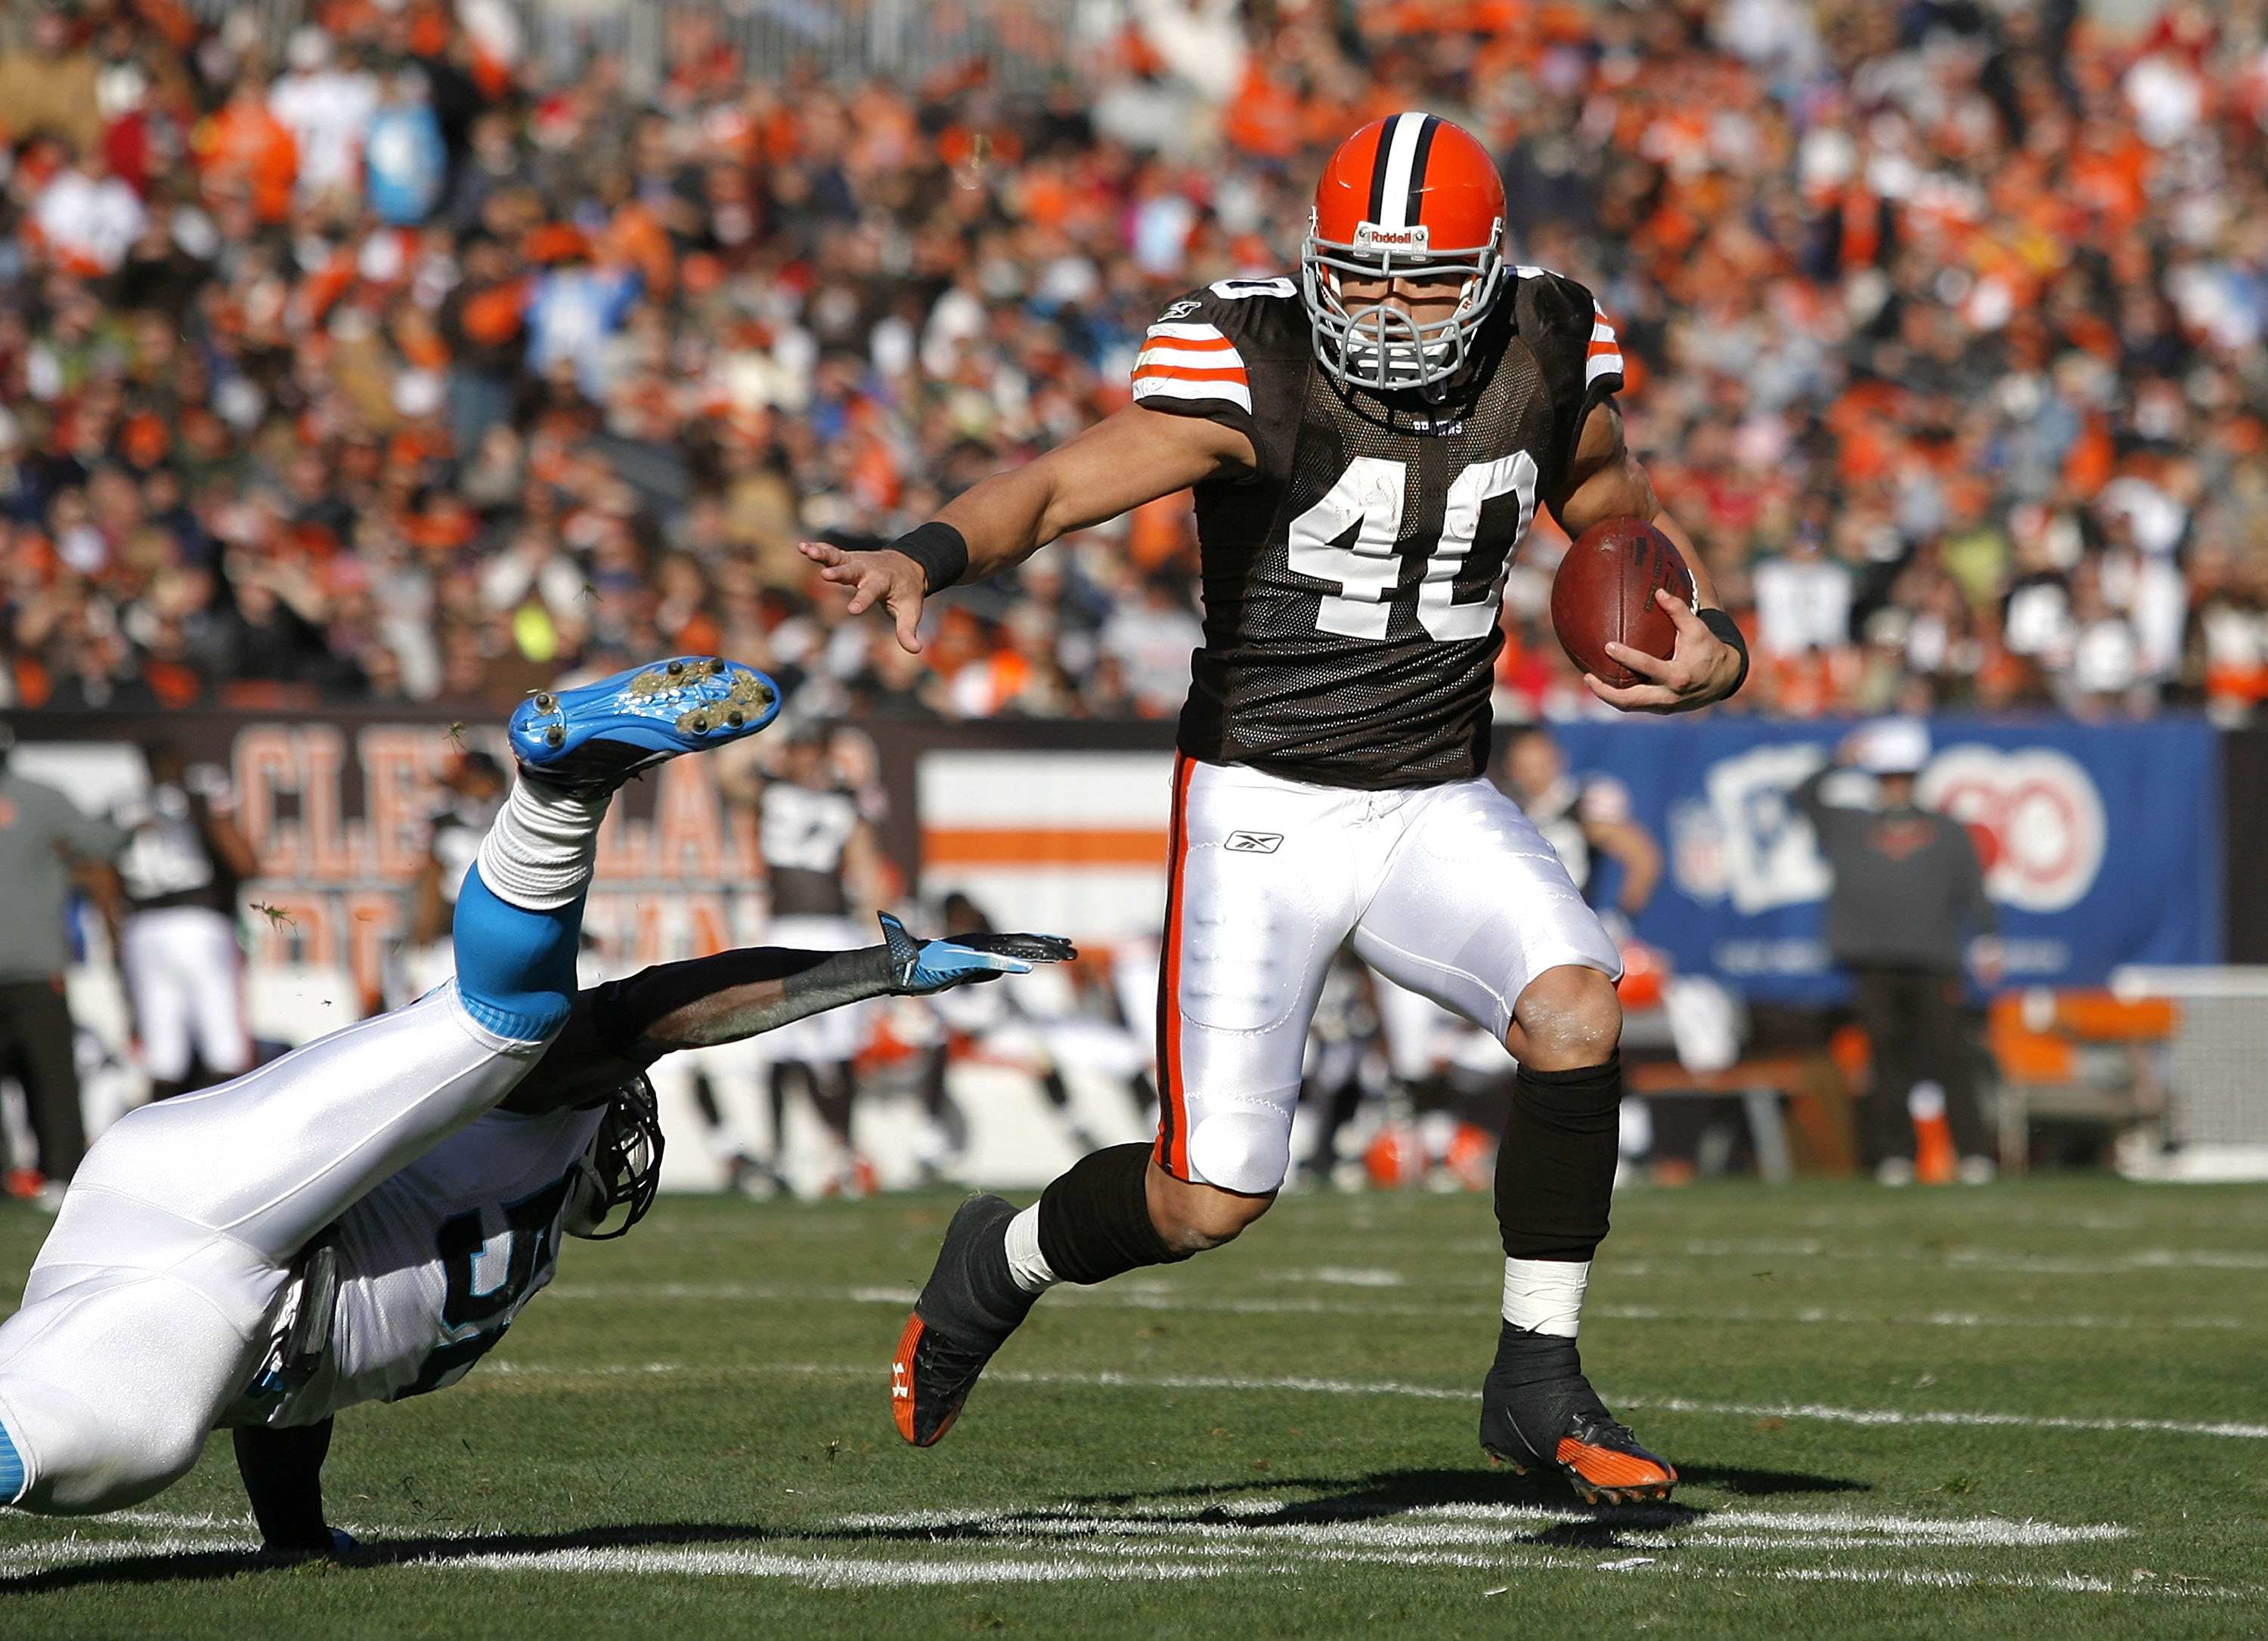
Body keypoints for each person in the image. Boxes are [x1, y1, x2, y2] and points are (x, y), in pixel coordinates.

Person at [806, 114, 1748, 1503]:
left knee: (1576, 1010)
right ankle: (995, 1262)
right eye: (1359, 276)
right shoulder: (1256, 360)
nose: (1385, 311)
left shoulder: (1546, 344)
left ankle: (1537, 1377)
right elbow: (1059, 486)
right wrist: (925, 553)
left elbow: (1613, 497)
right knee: (1208, 1198)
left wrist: (1708, 630)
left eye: (1422, 282)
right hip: (1265, 800)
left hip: (1433, 792)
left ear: (1491, 271)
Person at [1789, 719, 2002, 1187]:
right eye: (1888, 777)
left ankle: (1973, 1153)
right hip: (1872, 960)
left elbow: (1973, 887)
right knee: (1886, 1061)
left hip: (1932, 959)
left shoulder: (1946, 830)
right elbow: (1801, 799)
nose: (1896, 786)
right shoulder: (1850, 824)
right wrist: (1838, 761)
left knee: (1951, 1057)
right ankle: (1895, 1154)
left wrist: (1988, 937)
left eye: (1903, 776)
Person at [751, 725, 888, 1196]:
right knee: (777, 1044)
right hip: (784, 928)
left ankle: (844, 1151)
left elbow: (866, 868)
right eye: (801, 753)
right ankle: (777, 1154)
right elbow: (727, 774)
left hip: (834, 928)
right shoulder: (769, 791)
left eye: (815, 754)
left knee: (841, 1047)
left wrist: (883, 936)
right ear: (788, 756)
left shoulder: (846, 801)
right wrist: (758, 730)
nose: (808, 762)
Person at [0, 723, 127, 1209]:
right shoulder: (42, 799)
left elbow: (100, 844)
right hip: (35, 962)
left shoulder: (40, 799)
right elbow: (105, 842)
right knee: (49, 1075)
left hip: (35, 963)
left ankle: (59, 1173)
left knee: (50, 1073)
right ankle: (52, 1172)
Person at [111, 743, 260, 1100]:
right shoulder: (199, 796)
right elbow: (245, 864)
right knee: (224, 1047)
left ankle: (163, 1129)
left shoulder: (125, 805)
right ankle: (227, 1123)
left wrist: (115, 937)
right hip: (198, 922)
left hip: (142, 928)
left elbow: (101, 874)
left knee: (163, 1057)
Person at [1499, 724, 1661, 929]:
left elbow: (1643, 857)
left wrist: (1621, 918)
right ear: (1511, 768)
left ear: (1558, 760)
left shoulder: (1581, 806)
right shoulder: (1509, 810)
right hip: (1529, 924)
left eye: (1540, 765)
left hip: (1576, 925)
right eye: (1525, 767)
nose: (1533, 775)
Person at [404, 749, 509, 999]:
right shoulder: (441, 822)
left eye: (477, 781)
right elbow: (431, 882)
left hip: (505, 932)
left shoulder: (513, 820)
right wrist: (421, 936)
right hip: (452, 935)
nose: (473, 789)